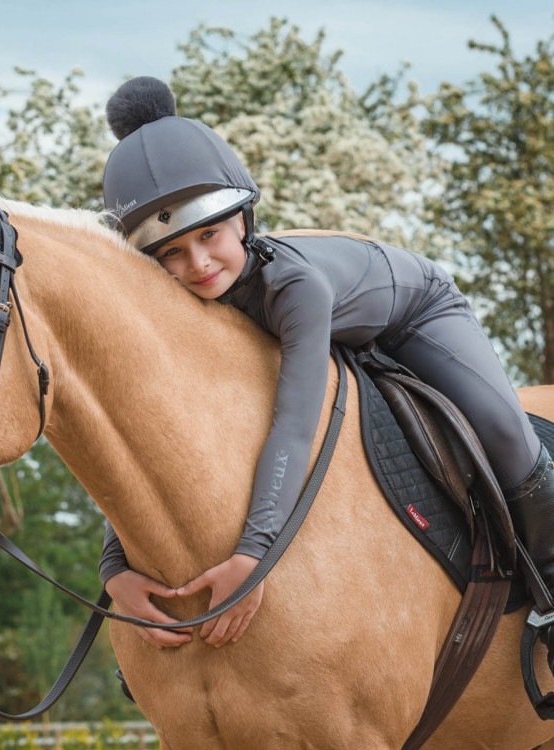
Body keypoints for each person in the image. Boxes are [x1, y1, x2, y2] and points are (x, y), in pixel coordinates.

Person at [99, 76, 554, 661]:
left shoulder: (295, 286)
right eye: (172, 253)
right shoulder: (186, 303)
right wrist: (115, 568)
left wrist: (254, 556)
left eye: (210, 234)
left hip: (414, 311)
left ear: (243, 221)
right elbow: (145, 441)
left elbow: (295, 425)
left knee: (503, 432)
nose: (199, 264)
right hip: (332, 326)